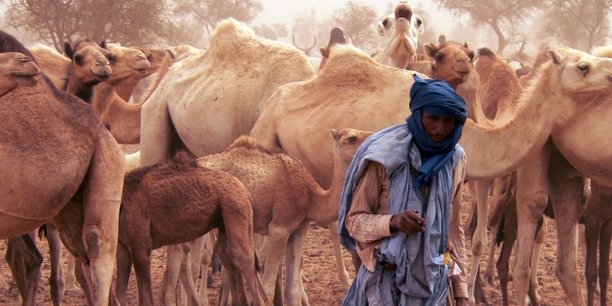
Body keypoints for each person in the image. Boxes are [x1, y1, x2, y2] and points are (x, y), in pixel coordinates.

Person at [338, 74, 469, 306]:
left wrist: (461, 291)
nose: (439, 129)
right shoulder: (384, 157)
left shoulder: (454, 160)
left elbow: (451, 233)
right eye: (433, 119)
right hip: (384, 286)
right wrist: (392, 222)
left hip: (434, 287)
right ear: (419, 115)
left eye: (448, 122)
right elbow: (355, 222)